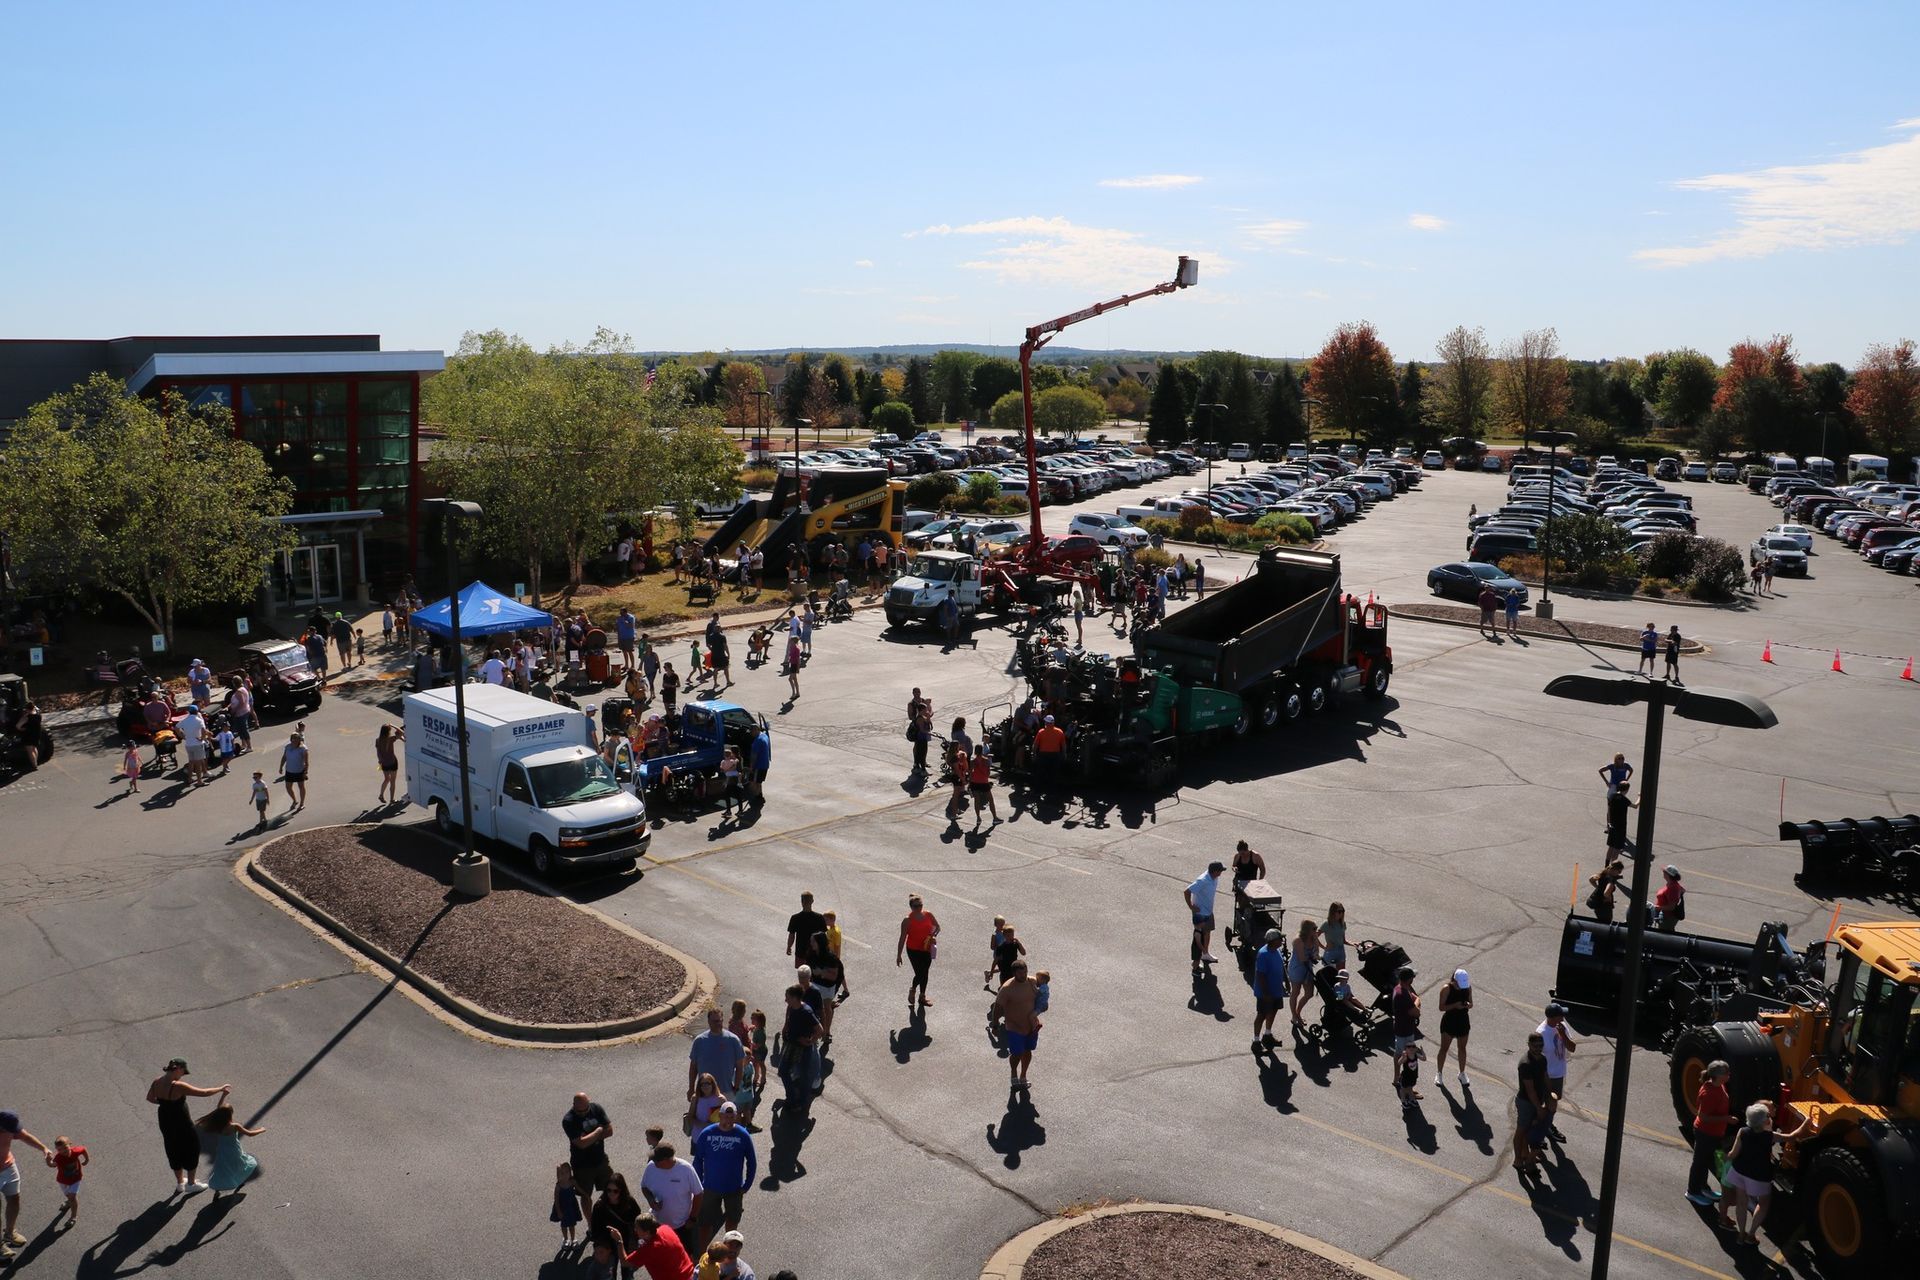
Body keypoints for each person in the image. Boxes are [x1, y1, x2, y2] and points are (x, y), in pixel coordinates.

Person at [1724, 1101, 1811, 1244]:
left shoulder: (1743, 1131)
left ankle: (1741, 1235)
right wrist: (1806, 1122)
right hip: (1759, 1175)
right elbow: (1792, 1136)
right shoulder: (1769, 1136)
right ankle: (1751, 1235)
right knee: (1763, 1203)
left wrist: (1725, 1157)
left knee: (1741, 1203)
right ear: (1764, 1121)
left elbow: (1733, 1154)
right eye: (1768, 1116)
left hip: (1739, 1171)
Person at [146, 1058, 229, 1196]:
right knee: (191, 1149)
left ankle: (180, 1183)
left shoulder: (157, 1081)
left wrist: (166, 1105)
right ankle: (191, 1184)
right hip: (181, 1123)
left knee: (172, 1149)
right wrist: (220, 1089)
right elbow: (203, 1092)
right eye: (183, 1072)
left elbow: (150, 1098)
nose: (182, 1076)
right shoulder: (178, 1086)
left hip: (165, 1122)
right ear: (178, 1068)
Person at [689, 1103, 757, 1254]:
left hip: (734, 1189)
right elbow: (698, 1160)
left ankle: (728, 1254)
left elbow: (752, 1162)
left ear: (736, 1117)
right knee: (705, 1223)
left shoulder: (743, 1134)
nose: (729, 1120)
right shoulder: (707, 1134)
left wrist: (746, 1185)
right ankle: (702, 1254)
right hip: (709, 1188)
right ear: (719, 1116)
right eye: (726, 1116)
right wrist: (698, 1184)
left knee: (732, 1223)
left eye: (732, 1117)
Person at [1685, 1060, 1734, 1212]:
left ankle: (1703, 1187)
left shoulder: (1719, 1085)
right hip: (1705, 1133)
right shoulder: (1709, 1093)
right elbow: (1703, 1117)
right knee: (1699, 1163)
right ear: (1718, 1076)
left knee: (1705, 1161)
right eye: (1726, 1073)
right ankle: (1692, 1191)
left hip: (1714, 1133)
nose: (1729, 1074)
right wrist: (1726, 1119)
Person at [0, 1110, 50, 1257]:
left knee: (14, 1199)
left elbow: (25, 1136)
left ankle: (9, 1233)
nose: (14, 1132)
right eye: (10, 1130)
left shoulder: (10, 1127)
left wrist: (44, 1148)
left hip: (8, 1166)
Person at [564, 1092, 616, 1222]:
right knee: (586, 1195)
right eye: (579, 1111)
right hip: (582, 1166)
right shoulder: (569, 1120)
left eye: (585, 1110)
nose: (582, 1113)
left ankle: (610, 1217)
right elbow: (581, 1144)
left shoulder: (596, 1108)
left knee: (613, 1188)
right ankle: (591, 1224)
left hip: (601, 1160)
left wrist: (588, 1138)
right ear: (573, 1105)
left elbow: (610, 1131)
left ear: (589, 1103)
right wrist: (598, 1130)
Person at [195, 1101, 264, 1197]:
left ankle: (217, 1190)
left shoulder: (218, 1125)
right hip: (234, 1150)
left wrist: (223, 1095)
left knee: (222, 1169)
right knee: (240, 1165)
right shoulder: (234, 1126)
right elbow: (250, 1134)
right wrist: (261, 1130)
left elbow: (219, 1109)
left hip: (222, 1151)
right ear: (230, 1115)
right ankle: (239, 1180)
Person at [993, 961, 1042, 1089]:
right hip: (1014, 1027)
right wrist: (995, 1025)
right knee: (1017, 1053)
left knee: (1027, 1050)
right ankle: (1014, 1072)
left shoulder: (1032, 982)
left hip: (1031, 1026)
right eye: (1021, 973)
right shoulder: (1007, 988)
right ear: (1014, 973)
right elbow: (998, 1008)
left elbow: (1043, 989)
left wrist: (1044, 1003)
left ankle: (1023, 1075)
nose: (1024, 975)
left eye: (1025, 972)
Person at [640, 1143, 703, 1239]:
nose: (653, 1162)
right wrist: (651, 1199)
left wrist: (692, 1218)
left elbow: (699, 1194)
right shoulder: (651, 1166)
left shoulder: (686, 1169)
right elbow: (644, 1187)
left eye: (657, 1160)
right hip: (657, 1223)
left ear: (667, 1159)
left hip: (681, 1225)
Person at [589, 1171, 643, 1280]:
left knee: (627, 1273)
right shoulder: (600, 1206)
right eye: (608, 1190)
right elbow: (595, 1230)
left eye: (615, 1191)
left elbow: (638, 1221)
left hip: (626, 1243)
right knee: (608, 1275)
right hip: (608, 1246)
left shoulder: (630, 1203)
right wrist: (601, 1246)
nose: (611, 1194)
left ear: (621, 1190)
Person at [1513, 1032, 1553, 1175]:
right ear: (1529, 1045)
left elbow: (1545, 1077)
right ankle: (1518, 1160)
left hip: (1537, 1100)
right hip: (1526, 1102)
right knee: (1521, 1130)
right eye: (1535, 1046)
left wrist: (1551, 1094)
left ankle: (1526, 1155)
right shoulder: (1525, 1064)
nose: (1538, 1048)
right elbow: (1530, 1091)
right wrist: (1539, 1108)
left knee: (1529, 1130)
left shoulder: (1542, 1059)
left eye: (1540, 1045)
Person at [1537, 1003, 1578, 1143]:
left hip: (1559, 1074)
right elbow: (1536, 1058)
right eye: (1561, 1015)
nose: (1563, 1018)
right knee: (1545, 1105)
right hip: (1546, 1076)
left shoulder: (1562, 1027)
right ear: (1553, 1018)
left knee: (1552, 1105)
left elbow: (1572, 1048)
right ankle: (1542, 1130)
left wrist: (1563, 1035)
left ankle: (1546, 1125)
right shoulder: (1541, 1033)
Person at [608, 1215, 696, 1280]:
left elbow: (624, 1262)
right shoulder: (666, 1229)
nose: (635, 1230)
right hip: (690, 1275)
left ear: (647, 1232)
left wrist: (619, 1240)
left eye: (637, 1228)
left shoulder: (650, 1249)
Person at [689, 1008, 747, 1103]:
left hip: (726, 1092)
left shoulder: (733, 1040)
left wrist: (736, 1087)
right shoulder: (699, 1041)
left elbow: (740, 1066)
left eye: (720, 1021)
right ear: (709, 1022)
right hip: (704, 1093)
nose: (718, 1023)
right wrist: (691, 1088)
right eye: (715, 1021)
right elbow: (693, 1067)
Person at [777, 984, 823, 1105]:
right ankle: (791, 1097)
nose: (785, 1000)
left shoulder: (806, 1011)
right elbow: (789, 1019)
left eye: (787, 997)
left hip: (802, 1049)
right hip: (791, 1044)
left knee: (804, 1076)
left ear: (795, 998)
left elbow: (820, 1029)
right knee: (783, 1071)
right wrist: (786, 1027)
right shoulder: (792, 1007)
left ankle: (801, 1103)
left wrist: (810, 1041)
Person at [896, 894, 940, 1009]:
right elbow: (902, 938)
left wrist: (933, 936)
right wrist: (899, 955)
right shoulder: (907, 920)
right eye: (916, 906)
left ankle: (922, 996)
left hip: (926, 948)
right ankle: (913, 989)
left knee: (925, 972)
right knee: (920, 973)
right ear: (911, 907)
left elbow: (937, 927)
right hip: (913, 950)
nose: (919, 908)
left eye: (920, 905)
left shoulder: (928, 915)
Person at [1435, 969, 1473, 1088]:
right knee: (1444, 1048)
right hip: (1450, 1021)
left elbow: (1471, 1003)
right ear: (1454, 980)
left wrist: (1467, 1005)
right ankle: (1439, 1073)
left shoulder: (1467, 987)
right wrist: (1455, 1005)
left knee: (1462, 1048)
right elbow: (1441, 1007)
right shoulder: (1446, 989)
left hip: (1463, 1020)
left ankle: (1462, 1073)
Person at [1252, 929, 1288, 1051]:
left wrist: (1287, 981)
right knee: (1261, 1015)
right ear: (1273, 940)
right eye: (1280, 938)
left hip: (1276, 990)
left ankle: (1267, 1035)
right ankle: (1256, 1041)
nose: (1282, 940)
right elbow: (1260, 975)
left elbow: (1282, 966)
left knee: (1273, 1011)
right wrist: (1266, 993)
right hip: (1265, 992)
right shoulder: (1263, 954)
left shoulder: (1276, 950)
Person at [1184, 861, 1225, 968]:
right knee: (1199, 937)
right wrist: (1191, 906)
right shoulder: (1203, 880)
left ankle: (1205, 954)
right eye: (1220, 871)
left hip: (1208, 911)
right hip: (1200, 913)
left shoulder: (1214, 878)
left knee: (1207, 932)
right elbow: (1187, 891)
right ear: (1215, 871)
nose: (1221, 873)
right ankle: (1196, 961)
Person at [1289, 920, 1324, 1027]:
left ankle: (1298, 1012)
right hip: (1297, 968)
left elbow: (1316, 952)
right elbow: (1302, 958)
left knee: (1309, 993)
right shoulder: (1298, 940)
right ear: (1307, 930)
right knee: (1295, 992)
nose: (1316, 930)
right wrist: (1313, 957)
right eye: (1314, 928)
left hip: (1307, 967)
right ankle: (1294, 1016)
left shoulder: (1314, 938)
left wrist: (1317, 955)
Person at [50, 1135, 87, 1228]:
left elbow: (83, 1149)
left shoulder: (75, 1151)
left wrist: (87, 1159)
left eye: (65, 1148)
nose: (63, 1151)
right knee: (68, 1196)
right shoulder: (58, 1157)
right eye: (59, 1150)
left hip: (76, 1179)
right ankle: (69, 1202)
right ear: (57, 1150)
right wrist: (47, 1160)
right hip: (62, 1181)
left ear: (70, 1144)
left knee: (72, 1197)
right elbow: (52, 1165)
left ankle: (73, 1217)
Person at [785, 894, 825, 969]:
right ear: (812, 901)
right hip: (815, 952)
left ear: (801, 901)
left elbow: (792, 935)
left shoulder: (795, 918)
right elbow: (824, 937)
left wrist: (789, 947)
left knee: (802, 973)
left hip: (800, 952)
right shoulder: (819, 918)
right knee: (814, 973)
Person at [1389, 965, 1421, 1053]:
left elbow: (1412, 996)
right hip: (1405, 1030)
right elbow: (1416, 1012)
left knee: (1398, 1052)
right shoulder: (1404, 994)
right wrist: (1418, 1000)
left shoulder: (1398, 988)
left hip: (1399, 1026)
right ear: (1409, 979)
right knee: (1407, 1054)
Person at [178, 702, 209, 787]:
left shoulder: (185, 720)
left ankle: (189, 779)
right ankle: (199, 781)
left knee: (191, 762)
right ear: (196, 711)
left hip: (188, 744)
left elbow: (176, 727)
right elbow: (203, 730)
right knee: (198, 764)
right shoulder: (199, 720)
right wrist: (202, 738)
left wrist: (182, 736)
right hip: (197, 744)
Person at [554, 1161, 584, 1247]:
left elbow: (579, 1189)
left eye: (567, 1172)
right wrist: (559, 1211)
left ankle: (573, 1239)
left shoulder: (572, 1182)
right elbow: (556, 1200)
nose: (565, 1175)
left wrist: (585, 1195)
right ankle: (565, 1239)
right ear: (558, 1175)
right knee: (564, 1225)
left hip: (571, 1207)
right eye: (562, 1173)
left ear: (570, 1172)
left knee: (572, 1224)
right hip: (563, 1208)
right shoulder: (558, 1186)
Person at [967, 744, 998, 826]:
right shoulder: (986, 761)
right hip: (984, 782)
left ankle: (978, 818)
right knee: (990, 800)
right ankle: (995, 818)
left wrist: (970, 783)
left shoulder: (973, 761)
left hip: (974, 782)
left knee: (977, 800)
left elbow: (970, 774)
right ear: (982, 751)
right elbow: (988, 774)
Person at [1605, 781, 1638, 858]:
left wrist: (1609, 823)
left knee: (1611, 847)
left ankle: (1607, 863)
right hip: (1620, 827)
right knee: (1617, 848)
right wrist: (1640, 797)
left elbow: (1609, 811)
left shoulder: (1612, 796)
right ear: (1627, 790)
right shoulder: (1624, 799)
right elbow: (1635, 806)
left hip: (1612, 824)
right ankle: (1614, 864)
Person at [280, 731, 310, 812]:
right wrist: (281, 767)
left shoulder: (303, 749)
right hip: (289, 771)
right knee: (288, 787)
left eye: (296, 739)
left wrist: (305, 772)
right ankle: (294, 800)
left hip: (299, 771)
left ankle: (302, 803)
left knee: (301, 787)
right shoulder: (287, 747)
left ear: (299, 739)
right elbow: (284, 757)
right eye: (293, 739)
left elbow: (306, 762)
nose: (294, 740)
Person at [375, 724, 403, 805]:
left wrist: (380, 761)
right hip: (392, 762)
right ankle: (392, 799)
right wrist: (393, 725)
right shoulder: (391, 739)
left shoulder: (377, 740)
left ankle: (381, 795)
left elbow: (378, 752)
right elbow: (402, 733)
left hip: (384, 763)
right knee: (393, 781)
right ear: (388, 731)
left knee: (386, 779)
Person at [1655, 864, 1687, 932]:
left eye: (1664, 872)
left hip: (1668, 918)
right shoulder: (1670, 884)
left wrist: (1657, 908)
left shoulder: (1673, 888)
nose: (1663, 872)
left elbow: (1671, 907)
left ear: (1668, 875)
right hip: (1664, 916)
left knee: (1664, 935)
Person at [1394, 1039, 1425, 1108]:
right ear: (1405, 1049)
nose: (1411, 1048)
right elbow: (1399, 1063)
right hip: (1405, 1077)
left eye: (1413, 1046)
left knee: (1410, 1088)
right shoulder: (1406, 1057)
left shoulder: (1416, 1055)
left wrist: (1422, 1052)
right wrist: (1403, 1057)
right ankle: (1403, 1101)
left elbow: (1424, 1059)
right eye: (1409, 1046)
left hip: (1413, 1076)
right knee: (1403, 1089)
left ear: (1416, 1049)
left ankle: (1411, 1099)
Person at [1319, 900, 1349, 970]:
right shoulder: (1327, 924)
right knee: (1329, 973)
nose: (1341, 913)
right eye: (1339, 911)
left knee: (1342, 973)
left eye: (1343, 911)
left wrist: (1354, 944)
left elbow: (1343, 940)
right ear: (1333, 912)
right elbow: (1314, 937)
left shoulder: (1342, 923)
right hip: (1330, 951)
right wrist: (1324, 947)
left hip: (1341, 950)